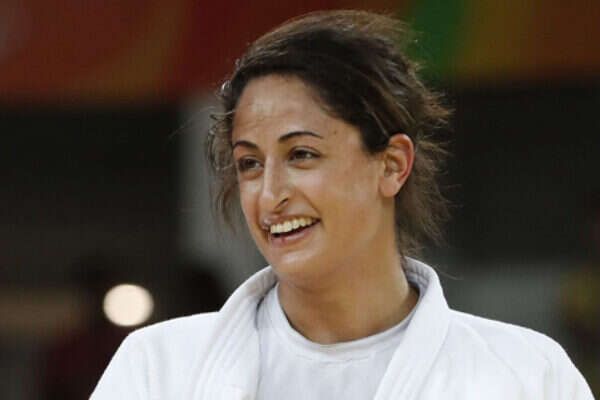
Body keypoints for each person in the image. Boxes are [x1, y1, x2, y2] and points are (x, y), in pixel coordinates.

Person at [91, 10, 594, 399]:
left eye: (302, 154)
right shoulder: (159, 370)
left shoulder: (525, 376)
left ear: (392, 165)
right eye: (249, 164)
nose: (270, 195)